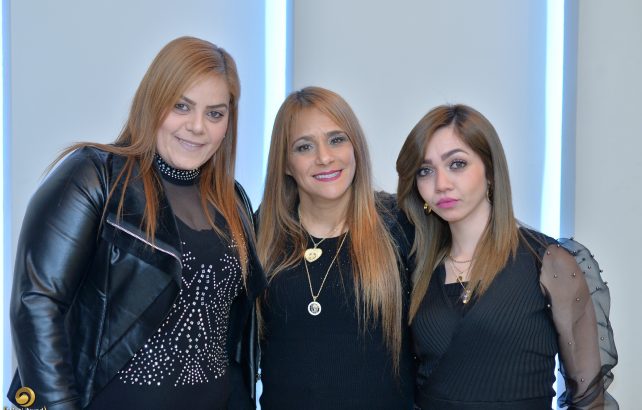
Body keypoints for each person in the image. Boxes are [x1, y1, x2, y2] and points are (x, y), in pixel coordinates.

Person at [8, 36, 266, 410]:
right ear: (153, 102)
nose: (197, 126)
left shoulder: (234, 201)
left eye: (215, 113)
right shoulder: (96, 176)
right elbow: (36, 303)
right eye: (181, 106)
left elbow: (234, 336)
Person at [396, 103, 618, 409]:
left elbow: (589, 400)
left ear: (490, 171)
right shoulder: (415, 268)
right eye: (425, 170)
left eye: (457, 164)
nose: (441, 184)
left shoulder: (548, 262)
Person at [256, 86, 414, 409]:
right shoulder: (261, 234)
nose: (324, 157)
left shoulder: (400, 225)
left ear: (355, 147)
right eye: (304, 147)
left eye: (337, 139)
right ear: (285, 163)